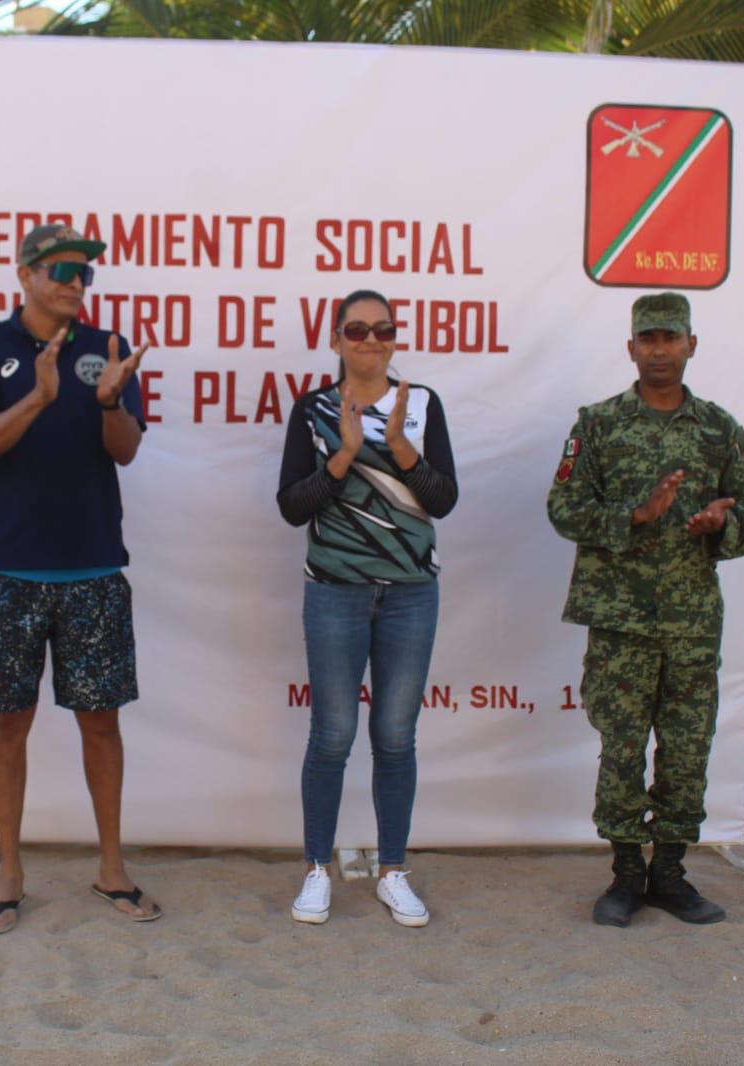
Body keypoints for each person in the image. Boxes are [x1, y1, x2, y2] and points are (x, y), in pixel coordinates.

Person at [0, 223, 159, 934]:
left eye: (85, 273)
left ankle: (111, 869)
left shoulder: (109, 351)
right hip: (6, 570)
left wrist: (105, 403)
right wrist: (37, 396)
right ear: (24, 273)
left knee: (101, 724)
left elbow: (124, 453)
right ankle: (9, 874)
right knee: (10, 722)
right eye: (62, 268)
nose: (75, 281)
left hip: (93, 567)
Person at [547, 292, 744, 928]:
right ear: (631, 348)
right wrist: (634, 516)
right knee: (620, 746)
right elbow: (562, 508)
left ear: (691, 345)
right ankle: (625, 874)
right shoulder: (598, 425)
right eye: (648, 339)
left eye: (671, 337)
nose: (659, 349)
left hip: (692, 622)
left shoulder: (718, 429)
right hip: (620, 621)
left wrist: (717, 527)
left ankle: (670, 871)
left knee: (685, 747)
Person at [277, 289, 458, 928]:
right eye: (357, 330)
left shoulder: (423, 406)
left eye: (383, 329)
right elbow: (292, 505)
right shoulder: (313, 409)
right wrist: (346, 453)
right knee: (332, 736)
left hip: (410, 594)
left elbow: (443, 500)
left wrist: (403, 452)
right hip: (335, 592)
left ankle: (392, 870)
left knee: (394, 737)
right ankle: (316, 870)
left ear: (395, 337)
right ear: (336, 339)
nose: (371, 340)